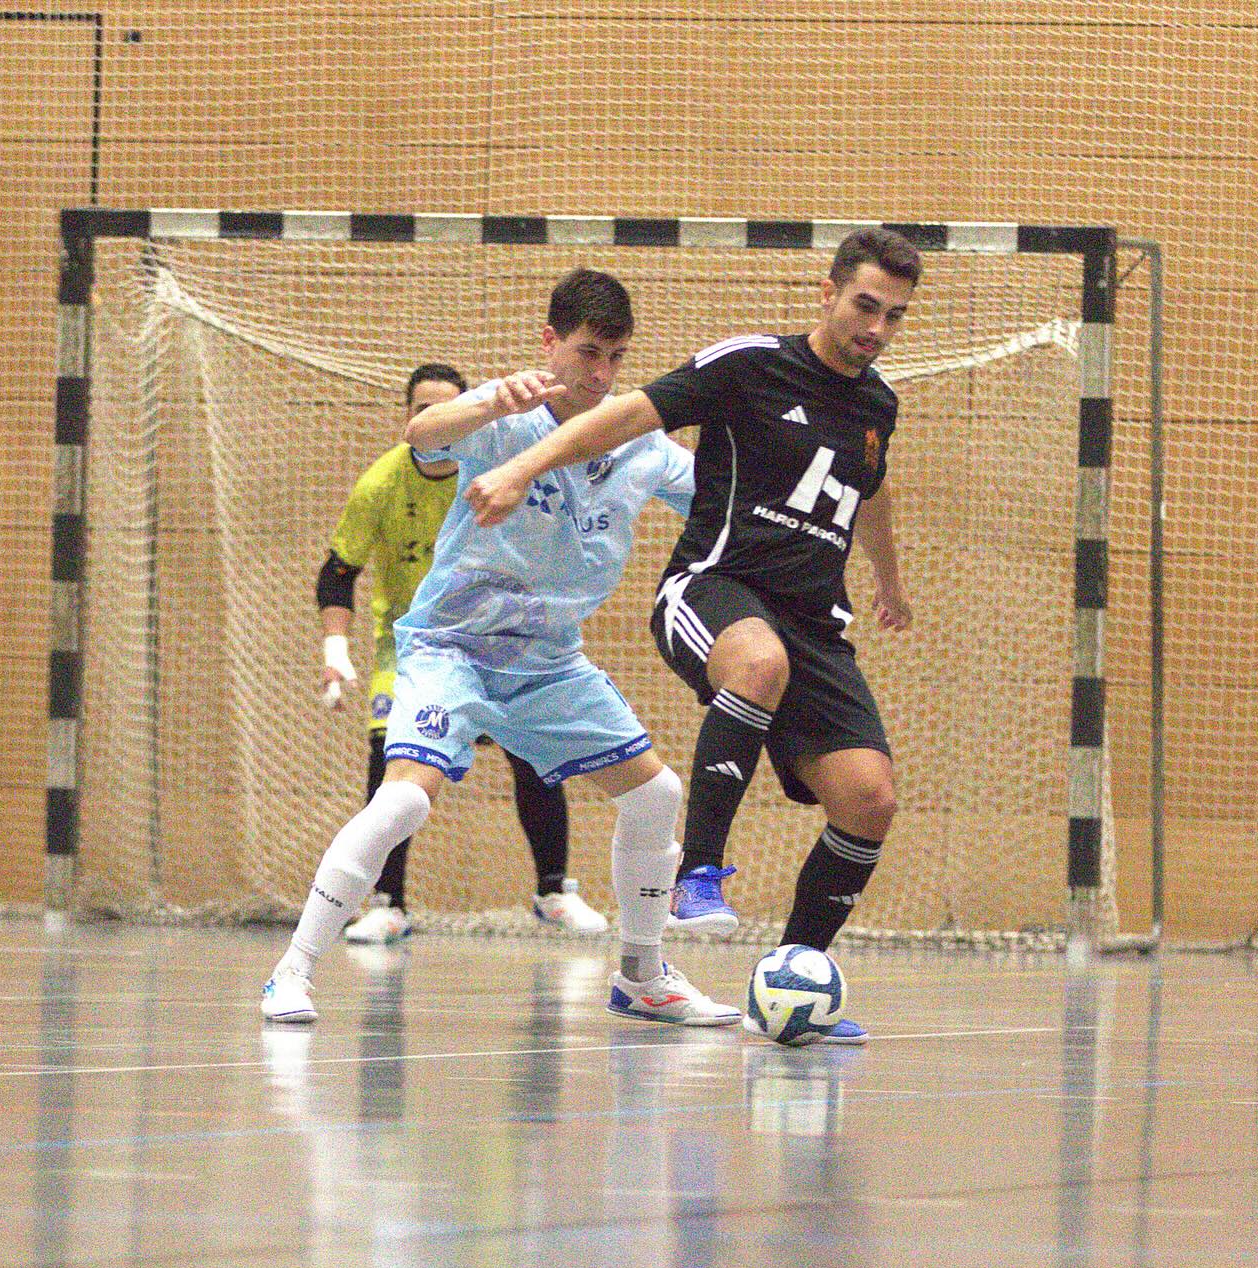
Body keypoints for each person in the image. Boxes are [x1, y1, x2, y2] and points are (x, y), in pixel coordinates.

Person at [465, 227, 924, 1045]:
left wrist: (888, 580)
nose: (877, 328)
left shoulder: (877, 404)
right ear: (827, 292)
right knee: (759, 662)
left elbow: (873, 487)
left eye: (894, 316)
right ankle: (697, 872)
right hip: (715, 588)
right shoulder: (749, 364)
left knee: (870, 799)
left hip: (815, 623)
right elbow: (621, 418)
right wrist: (521, 466)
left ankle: (794, 978)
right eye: (865, 306)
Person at [262, 268, 739, 1029]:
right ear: (550, 342)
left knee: (656, 795)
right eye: (588, 352)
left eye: (617, 357)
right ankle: (292, 970)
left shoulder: (639, 443)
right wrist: (486, 400)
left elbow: (727, 492)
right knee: (404, 799)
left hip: (548, 662)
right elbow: (422, 435)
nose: (601, 374)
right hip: (451, 648)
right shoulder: (509, 414)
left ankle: (642, 975)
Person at [317, 363, 606, 942]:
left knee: (534, 752)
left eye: (444, 407)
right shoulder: (380, 485)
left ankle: (553, 891)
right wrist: (335, 648)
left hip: (496, 640)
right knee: (392, 766)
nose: (433, 418)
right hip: (413, 649)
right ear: (408, 417)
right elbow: (338, 571)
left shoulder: (499, 466)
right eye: (422, 409)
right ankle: (387, 903)